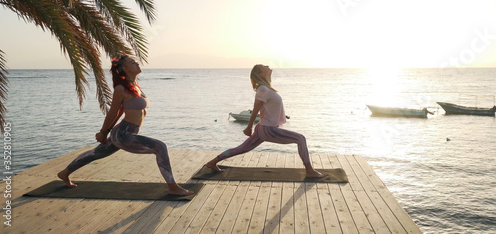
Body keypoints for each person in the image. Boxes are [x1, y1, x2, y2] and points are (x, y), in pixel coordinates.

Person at [58, 55, 193, 196]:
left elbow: (122, 110)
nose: (137, 63)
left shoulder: (135, 86)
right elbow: (113, 111)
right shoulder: (121, 89)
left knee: (96, 153)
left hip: (125, 132)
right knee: (160, 147)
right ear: (125, 69)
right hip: (123, 134)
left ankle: (64, 173)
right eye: (132, 62)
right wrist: (103, 132)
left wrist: (108, 131)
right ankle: (172, 187)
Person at [206, 64, 325, 178]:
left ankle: (212, 162)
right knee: (300, 139)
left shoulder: (266, 88)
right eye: (265, 67)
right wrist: (249, 127)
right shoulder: (263, 89)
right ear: (261, 74)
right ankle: (309, 170)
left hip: (263, 128)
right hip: (267, 129)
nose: (268, 66)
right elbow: (255, 109)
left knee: (241, 149)